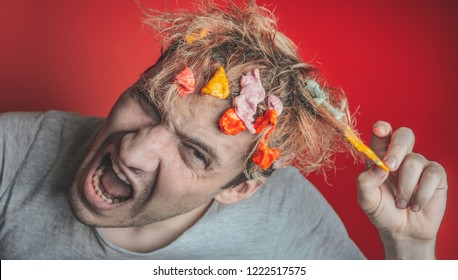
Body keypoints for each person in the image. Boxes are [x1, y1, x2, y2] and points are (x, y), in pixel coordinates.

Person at [0, 1, 447, 259]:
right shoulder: (15, 153)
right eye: (148, 102)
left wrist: (409, 246)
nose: (133, 152)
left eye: (195, 153)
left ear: (239, 189)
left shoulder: (286, 215)